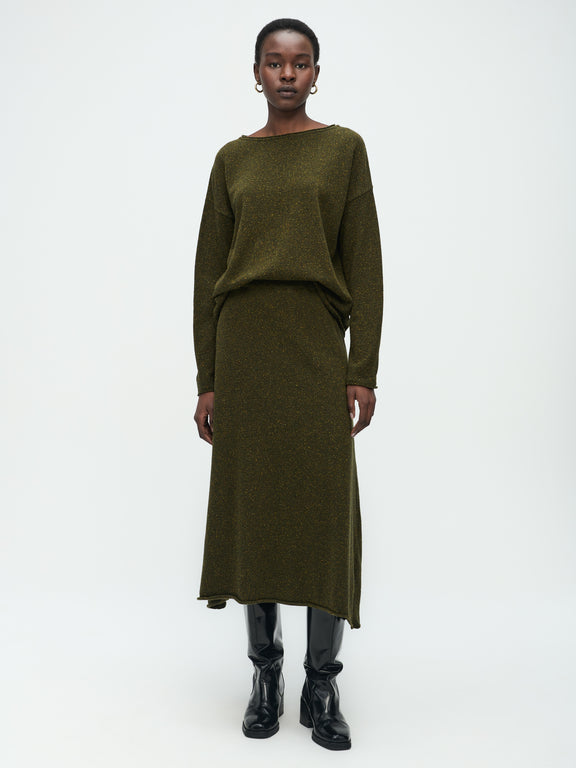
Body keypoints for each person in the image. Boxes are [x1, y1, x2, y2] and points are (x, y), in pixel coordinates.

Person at [193, 18, 383, 751]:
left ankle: (321, 683)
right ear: (255, 73)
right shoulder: (232, 160)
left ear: (316, 74)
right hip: (244, 351)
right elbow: (208, 275)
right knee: (255, 514)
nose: (287, 74)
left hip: (314, 348)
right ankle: (266, 676)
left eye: (300, 63)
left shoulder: (343, 150)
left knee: (324, 517)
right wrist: (209, 378)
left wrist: (361, 368)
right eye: (274, 62)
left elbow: (363, 262)